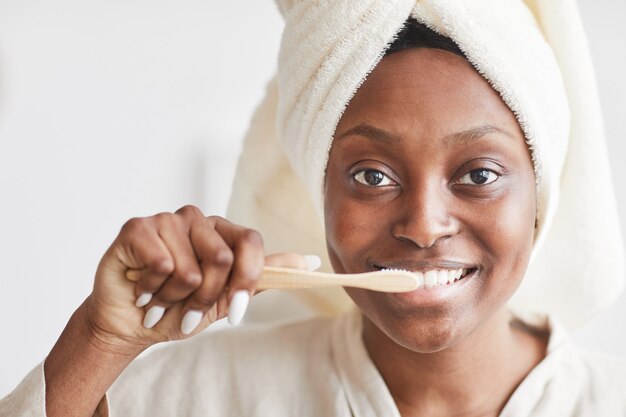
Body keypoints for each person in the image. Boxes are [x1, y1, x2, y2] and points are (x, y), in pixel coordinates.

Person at [2, 1, 625, 416]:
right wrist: (100, 337)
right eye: (371, 175)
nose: (425, 225)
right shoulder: (196, 396)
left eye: (480, 174)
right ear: (317, 188)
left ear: (541, 193)